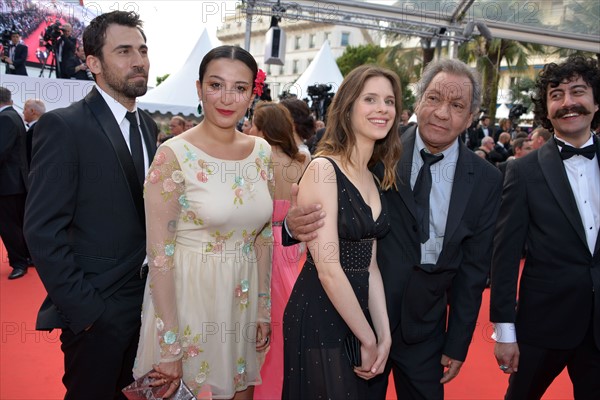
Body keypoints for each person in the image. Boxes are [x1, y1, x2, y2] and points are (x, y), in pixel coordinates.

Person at [285, 58, 503, 400]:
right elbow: (325, 206)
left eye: (456, 105)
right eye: (433, 98)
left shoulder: (487, 180)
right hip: (357, 315)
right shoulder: (379, 147)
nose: (442, 113)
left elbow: (474, 269)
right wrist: (290, 226)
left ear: (471, 117)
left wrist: (458, 341)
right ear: (418, 102)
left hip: (425, 327)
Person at [23, 11, 158, 399]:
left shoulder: (148, 127)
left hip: (148, 309)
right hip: (97, 312)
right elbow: (42, 230)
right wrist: (87, 314)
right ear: (94, 63)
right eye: (124, 51)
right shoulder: (64, 126)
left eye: (143, 50)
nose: (139, 60)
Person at [133, 45, 273, 400]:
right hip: (187, 303)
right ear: (199, 89)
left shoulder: (262, 152)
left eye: (240, 88)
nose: (227, 98)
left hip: (239, 300)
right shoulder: (173, 155)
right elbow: (159, 259)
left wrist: (262, 307)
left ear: (252, 94)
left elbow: (262, 237)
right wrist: (170, 347)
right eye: (216, 85)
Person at [282, 65, 401, 399]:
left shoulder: (374, 178)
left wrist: (384, 333)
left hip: (359, 310)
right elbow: (329, 270)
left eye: (389, 101)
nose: (382, 109)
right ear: (347, 108)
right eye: (371, 99)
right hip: (322, 311)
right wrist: (367, 338)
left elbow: (371, 265)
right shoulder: (323, 169)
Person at [490, 54, 600, 399]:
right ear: (546, 108)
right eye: (556, 95)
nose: (568, 103)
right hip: (542, 325)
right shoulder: (523, 171)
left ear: (596, 102)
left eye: (578, 92)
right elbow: (505, 256)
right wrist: (505, 332)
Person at [249, 101, 310, 400]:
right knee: (288, 320)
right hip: (293, 246)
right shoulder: (302, 162)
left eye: (252, 124)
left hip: (262, 245)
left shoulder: (257, 160)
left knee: (261, 320)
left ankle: (263, 390)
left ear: (263, 129)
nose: (247, 129)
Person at [0, 86, 31, 280]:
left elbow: (1, 152)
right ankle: (26, 258)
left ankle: (19, 262)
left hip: (8, 184)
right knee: (17, 225)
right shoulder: (14, 116)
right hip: (14, 182)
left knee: (9, 226)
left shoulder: (5, 118)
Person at [22, 98, 46, 166]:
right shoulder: (44, 128)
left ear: (32, 111)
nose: (23, 112)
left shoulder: (34, 130)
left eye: (25, 109)